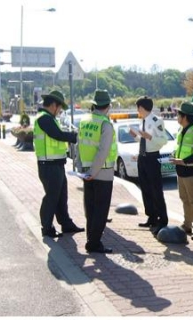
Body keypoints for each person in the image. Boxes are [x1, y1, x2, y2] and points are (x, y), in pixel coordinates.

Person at [33, 90, 84, 238]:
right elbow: (58, 135)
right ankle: (47, 227)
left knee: (61, 196)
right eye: (60, 107)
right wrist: (75, 136)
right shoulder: (44, 119)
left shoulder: (50, 118)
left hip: (56, 164)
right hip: (48, 165)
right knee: (52, 197)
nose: (60, 110)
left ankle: (66, 224)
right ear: (54, 105)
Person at [76, 90, 117, 254]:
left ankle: (90, 240)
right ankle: (94, 243)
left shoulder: (84, 121)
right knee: (101, 210)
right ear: (107, 106)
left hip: (86, 172)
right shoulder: (105, 124)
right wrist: (94, 171)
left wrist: (82, 169)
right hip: (103, 172)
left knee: (90, 209)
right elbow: (103, 151)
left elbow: (78, 146)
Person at [130, 96, 169, 236]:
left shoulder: (156, 121)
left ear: (141, 107)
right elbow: (143, 140)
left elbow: (163, 140)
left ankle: (162, 219)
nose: (137, 110)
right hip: (143, 157)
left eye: (138, 107)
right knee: (145, 188)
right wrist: (135, 136)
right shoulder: (143, 121)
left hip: (152, 158)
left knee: (156, 189)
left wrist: (150, 137)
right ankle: (151, 216)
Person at [170, 102, 193, 241]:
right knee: (185, 199)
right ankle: (187, 225)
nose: (177, 117)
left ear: (184, 117)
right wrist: (174, 156)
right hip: (181, 171)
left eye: (179, 114)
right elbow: (180, 148)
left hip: (191, 172)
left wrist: (182, 161)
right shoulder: (181, 130)